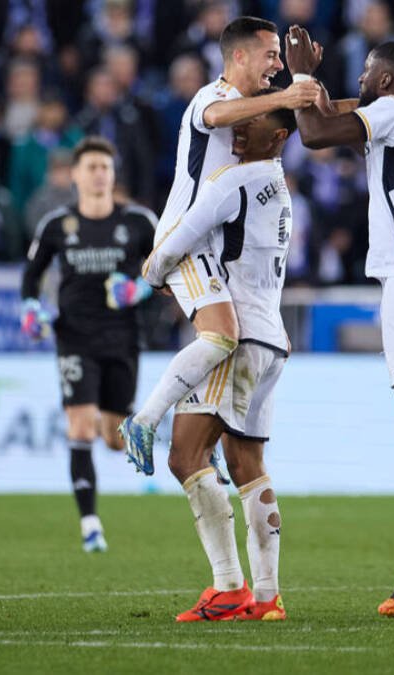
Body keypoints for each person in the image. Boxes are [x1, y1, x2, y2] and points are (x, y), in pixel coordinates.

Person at [285, 27, 394, 618]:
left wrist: (300, 75)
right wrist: (319, 83)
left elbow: (314, 133)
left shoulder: (390, 109)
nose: (357, 81)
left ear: (385, 81)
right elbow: (338, 111)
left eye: (364, 73)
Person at [117, 16, 319, 474]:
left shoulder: (256, 106)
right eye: (270, 55)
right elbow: (215, 118)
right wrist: (288, 94)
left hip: (212, 245)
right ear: (239, 56)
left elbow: (302, 114)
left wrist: (360, 102)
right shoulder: (213, 96)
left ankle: (204, 434)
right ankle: (144, 421)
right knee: (224, 334)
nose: (277, 65)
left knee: (235, 336)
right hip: (183, 237)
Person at [142, 99, 297, 623]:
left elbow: (176, 240)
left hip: (238, 339)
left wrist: (155, 273)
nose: (238, 127)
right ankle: (268, 596)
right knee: (246, 465)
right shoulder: (278, 184)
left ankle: (229, 588)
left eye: (250, 124)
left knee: (185, 457)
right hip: (272, 339)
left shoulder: (234, 182)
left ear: (276, 138)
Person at [19, 136, 157, 553]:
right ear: (75, 176)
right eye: (91, 167)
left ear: (112, 176)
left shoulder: (139, 222)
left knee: (115, 440)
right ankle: (90, 524)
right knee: (79, 425)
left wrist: (139, 291)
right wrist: (30, 308)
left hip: (122, 339)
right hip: (74, 338)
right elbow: (32, 275)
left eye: (105, 167)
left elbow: (164, 270)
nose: (99, 174)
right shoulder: (57, 226)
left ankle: (113, 424)